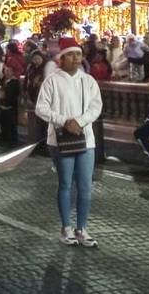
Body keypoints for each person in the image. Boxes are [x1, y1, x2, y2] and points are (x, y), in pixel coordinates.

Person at [34, 37, 103, 248]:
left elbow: (96, 106)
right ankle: (66, 227)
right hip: (60, 140)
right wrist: (64, 121)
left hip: (86, 139)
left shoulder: (88, 81)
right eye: (71, 55)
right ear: (62, 58)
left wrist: (79, 122)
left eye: (79, 54)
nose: (76, 59)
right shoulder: (52, 81)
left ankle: (82, 228)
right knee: (65, 184)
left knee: (85, 186)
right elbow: (41, 108)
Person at [0, 64, 21, 146]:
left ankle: (13, 141)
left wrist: (5, 96)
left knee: (12, 124)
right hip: (2, 105)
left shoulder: (15, 82)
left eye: (9, 71)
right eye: (6, 70)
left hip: (10, 106)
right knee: (3, 123)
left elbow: (15, 94)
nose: (7, 72)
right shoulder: (2, 80)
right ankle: (4, 139)